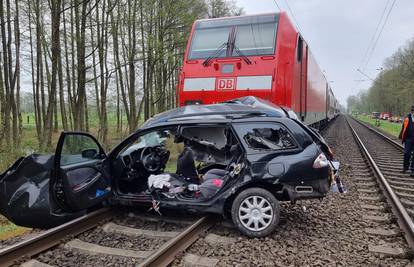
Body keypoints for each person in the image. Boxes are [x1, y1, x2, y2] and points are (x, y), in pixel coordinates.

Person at [399, 105, 414, 176]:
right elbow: (403, 127)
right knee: (406, 153)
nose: (412, 111)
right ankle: (405, 167)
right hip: (408, 138)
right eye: (412, 110)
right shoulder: (407, 118)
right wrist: (401, 136)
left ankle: (413, 170)